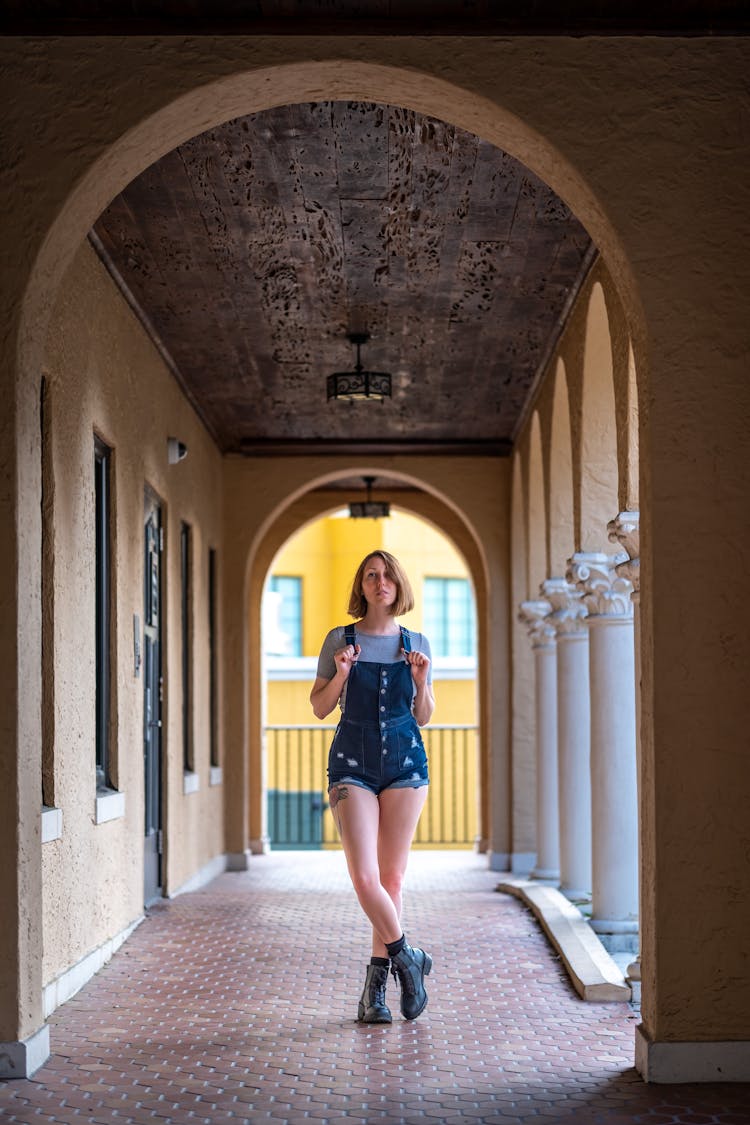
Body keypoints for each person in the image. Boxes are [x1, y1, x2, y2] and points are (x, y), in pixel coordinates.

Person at [310, 550, 435, 1023]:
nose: (380, 583)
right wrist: (341, 673)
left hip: (405, 762)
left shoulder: (416, 641)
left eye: (387, 576)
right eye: (371, 576)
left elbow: (424, 715)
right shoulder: (338, 640)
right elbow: (320, 708)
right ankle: (409, 959)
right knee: (365, 878)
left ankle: (374, 995)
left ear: (398, 586)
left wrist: (421, 681)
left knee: (392, 879)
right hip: (352, 764)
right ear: (361, 587)